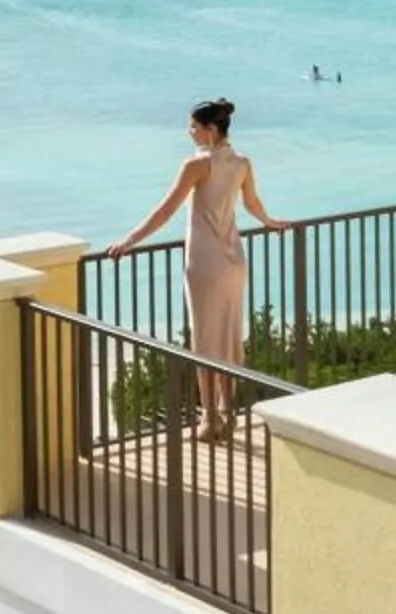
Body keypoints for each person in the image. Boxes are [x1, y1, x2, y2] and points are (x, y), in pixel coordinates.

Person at [107, 98, 289, 440]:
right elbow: (253, 205)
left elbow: (165, 211)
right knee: (230, 335)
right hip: (234, 259)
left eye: (193, 127)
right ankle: (227, 411)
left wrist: (129, 240)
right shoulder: (242, 163)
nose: (189, 132)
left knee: (205, 338)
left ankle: (209, 420)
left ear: (210, 130)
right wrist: (272, 223)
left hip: (204, 261)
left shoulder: (197, 165)